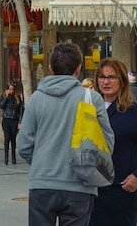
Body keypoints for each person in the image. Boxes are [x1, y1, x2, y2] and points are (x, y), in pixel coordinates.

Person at [20, 42, 114, 226]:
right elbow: (107, 143)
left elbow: (24, 145)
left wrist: (43, 160)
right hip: (80, 185)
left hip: (42, 184)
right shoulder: (91, 98)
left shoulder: (36, 99)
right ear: (78, 69)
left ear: (50, 68)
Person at [92, 58, 137, 225]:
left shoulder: (132, 111)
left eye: (111, 77)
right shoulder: (88, 109)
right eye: (102, 77)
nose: (106, 82)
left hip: (122, 190)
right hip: (93, 189)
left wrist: (136, 175)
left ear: (122, 81)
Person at [0, 83, 24, 165]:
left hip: (14, 120)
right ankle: (6, 158)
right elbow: (1, 106)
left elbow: (21, 110)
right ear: (7, 89)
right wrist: (7, 98)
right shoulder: (4, 96)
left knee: (13, 139)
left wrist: (20, 122)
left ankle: (13, 158)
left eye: (13, 89)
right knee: (7, 139)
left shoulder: (17, 98)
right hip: (6, 119)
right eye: (10, 89)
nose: (11, 91)